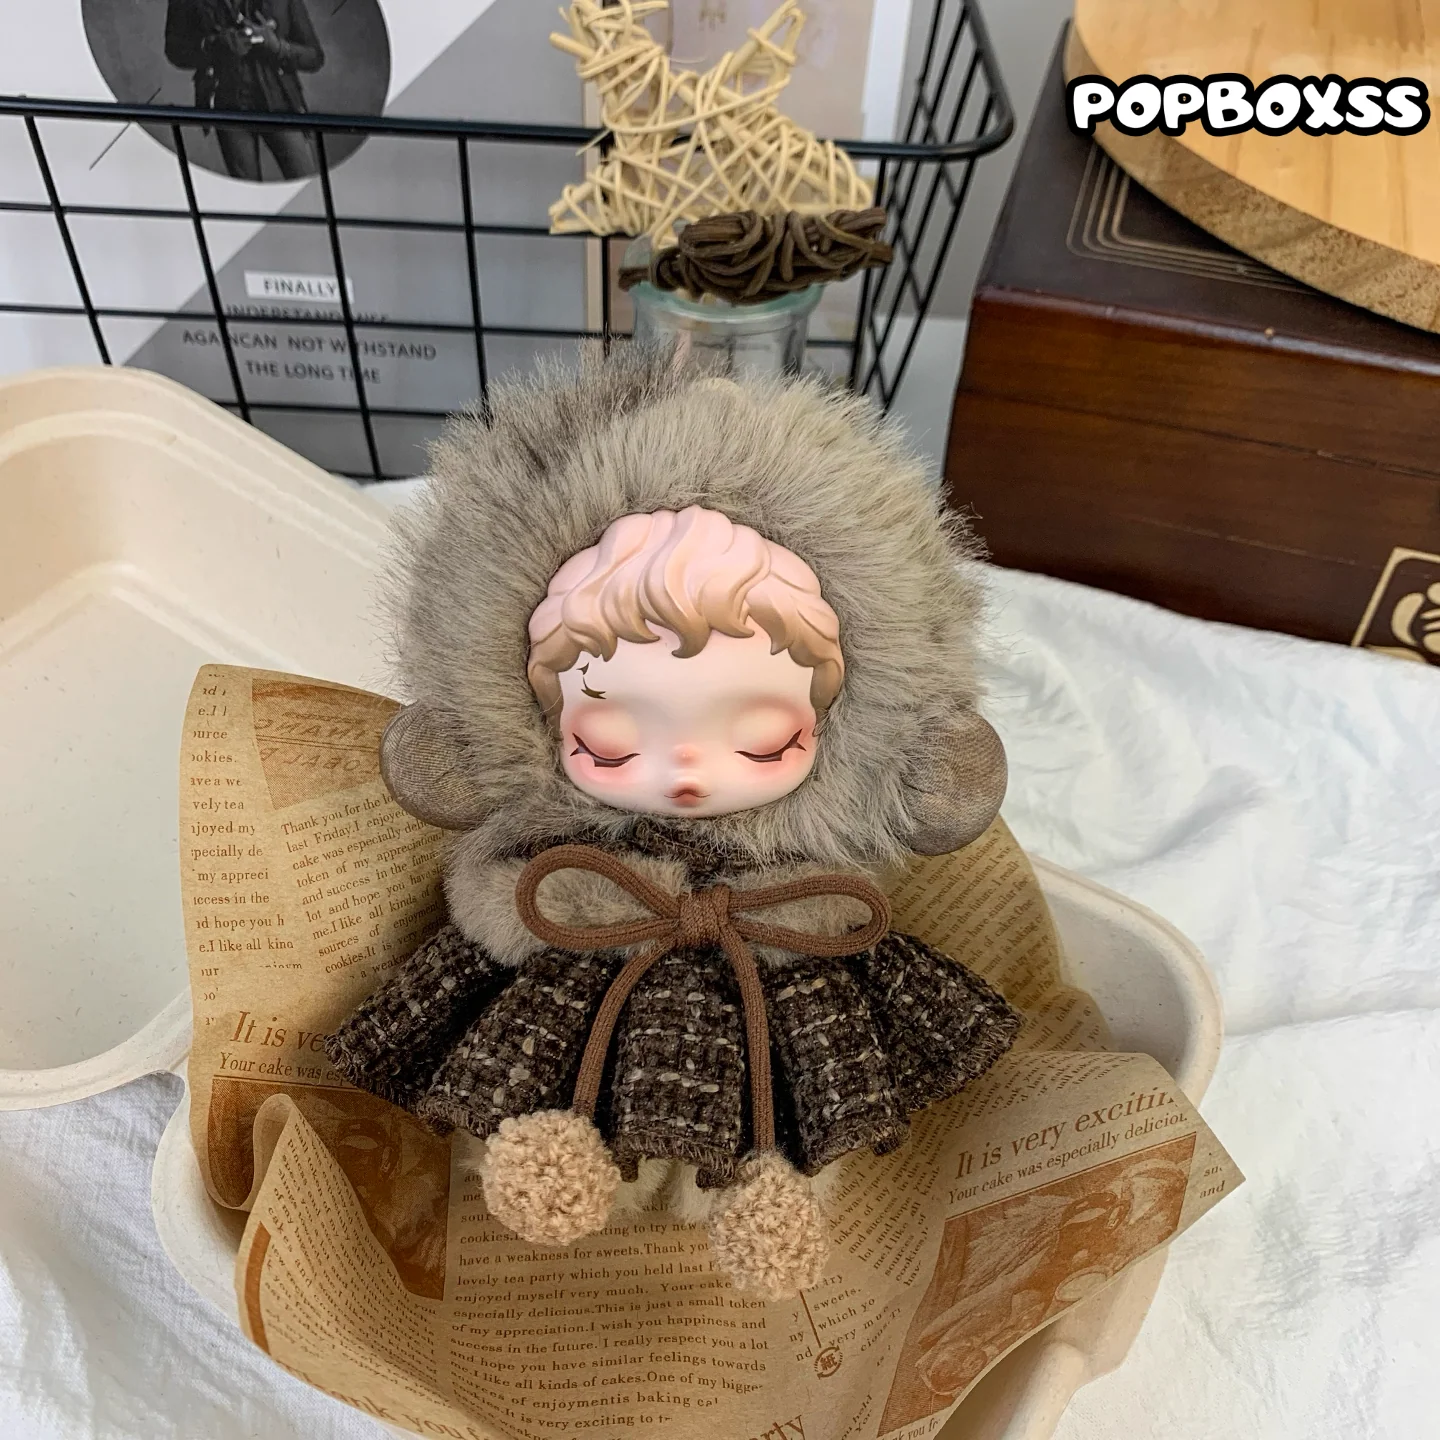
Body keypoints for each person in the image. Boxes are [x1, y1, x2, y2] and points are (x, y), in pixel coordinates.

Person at [164, 0, 324, 181]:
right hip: (228, 106)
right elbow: (174, 49)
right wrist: (213, 46)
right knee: (245, 191)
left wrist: (278, 47)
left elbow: (315, 56)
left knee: (306, 184)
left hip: (281, 103)